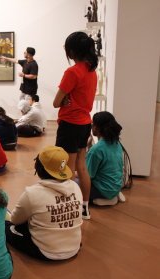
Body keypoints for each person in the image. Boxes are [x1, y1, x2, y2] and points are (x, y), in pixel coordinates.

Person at [5, 145, 83, 260]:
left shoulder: (32, 193)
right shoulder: (75, 187)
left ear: (39, 168)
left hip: (45, 251)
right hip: (74, 247)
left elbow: (15, 220)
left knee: (6, 226)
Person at [53, 31, 98, 220]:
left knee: (69, 168)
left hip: (70, 124)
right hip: (85, 123)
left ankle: (72, 208)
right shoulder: (91, 70)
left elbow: (56, 102)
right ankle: (84, 207)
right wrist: (67, 99)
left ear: (71, 52)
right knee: (82, 167)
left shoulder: (72, 72)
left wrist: (64, 101)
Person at [84, 111, 126, 206]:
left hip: (103, 189)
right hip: (115, 186)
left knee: (73, 181)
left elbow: (87, 176)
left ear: (95, 127)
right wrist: (89, 147)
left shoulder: (96, 150)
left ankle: (103, 198)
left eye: (92, 124)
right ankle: (114, 194)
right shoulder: (116, 142)